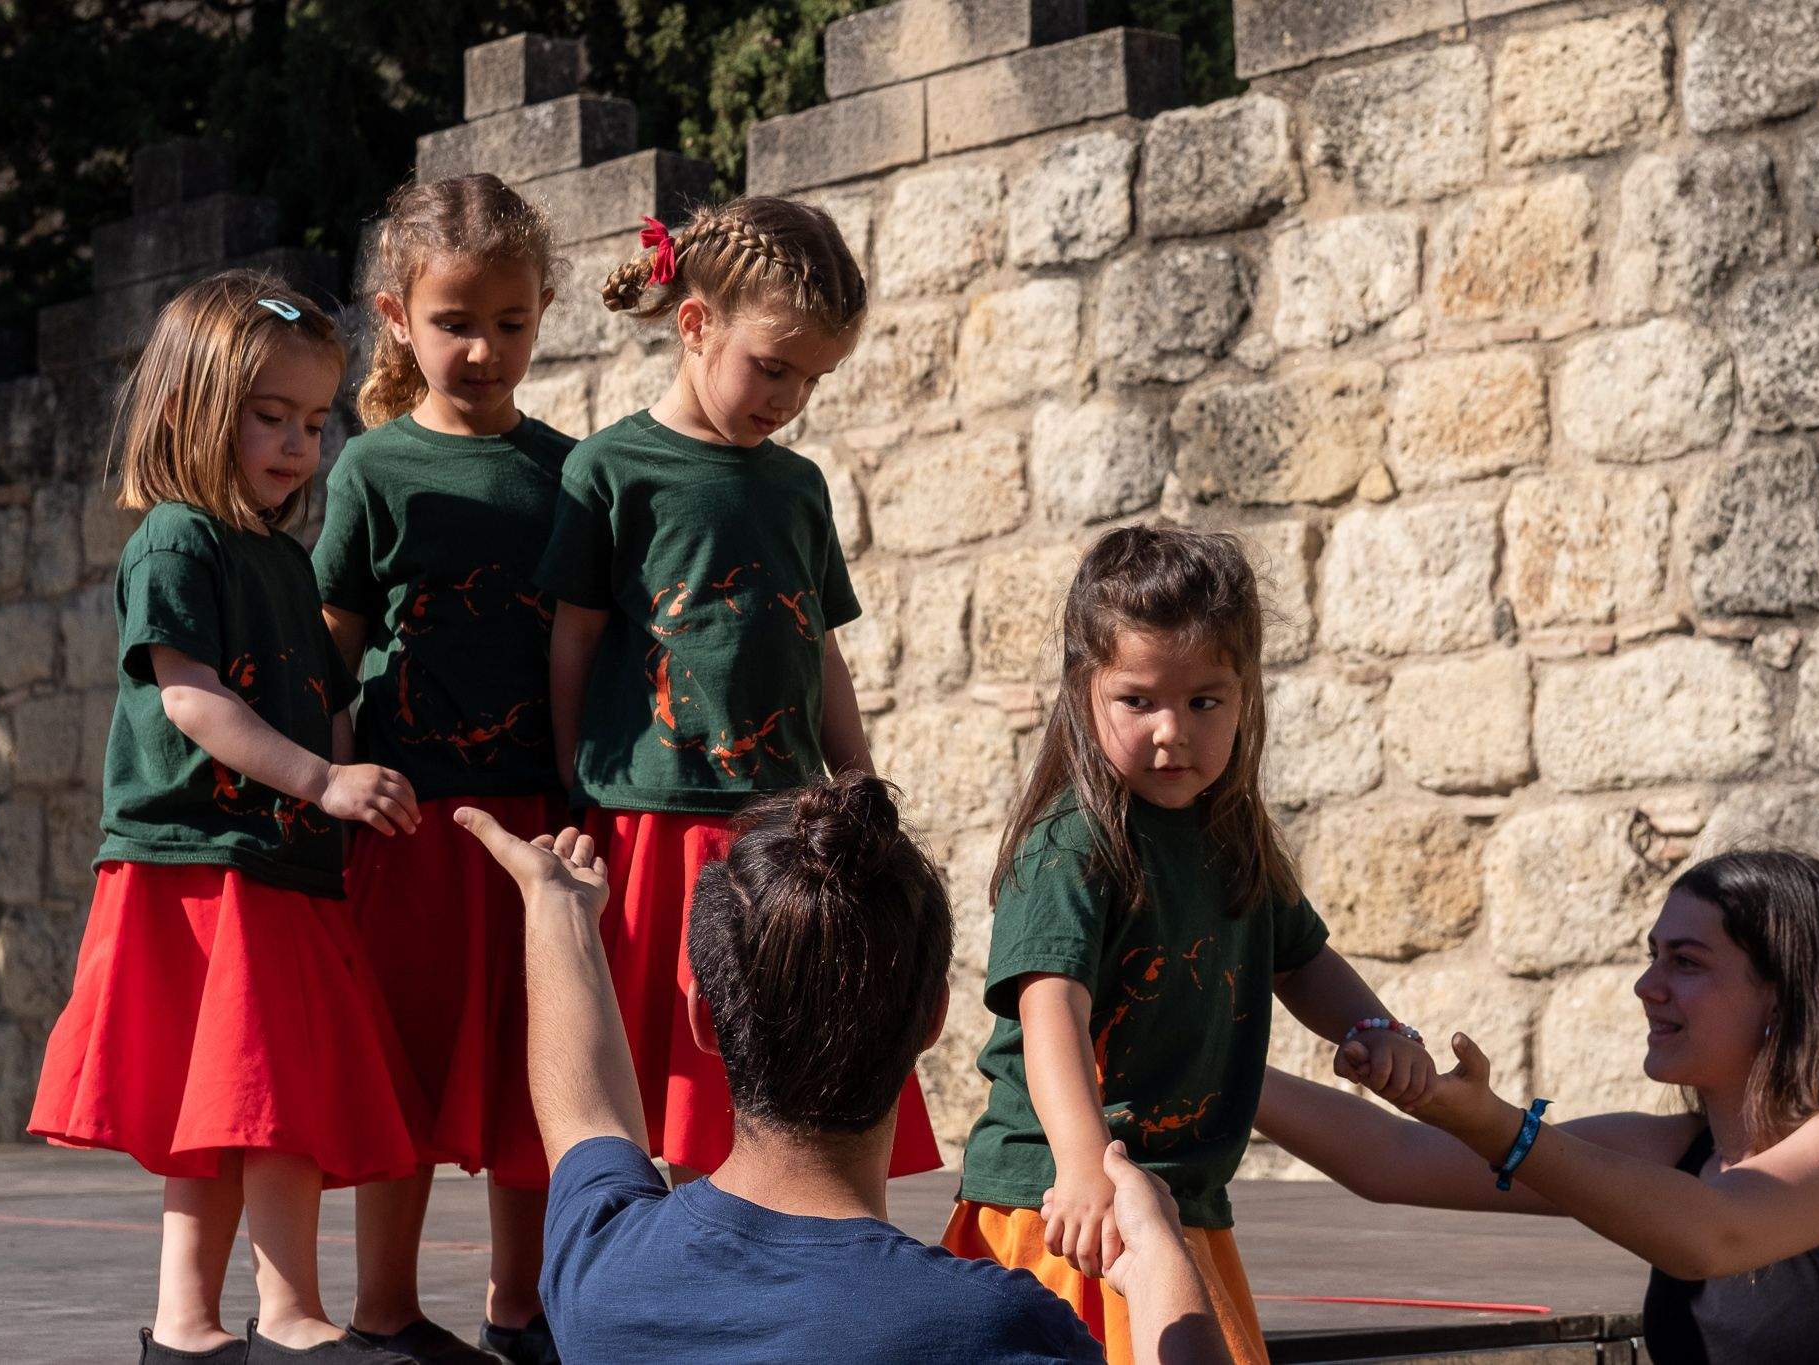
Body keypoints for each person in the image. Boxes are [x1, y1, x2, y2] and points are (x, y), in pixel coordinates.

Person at [451, 773, 1231, 1364]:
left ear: (704, 1024)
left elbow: (585, 1112)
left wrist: (555, 909)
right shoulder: (988, 1326)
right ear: (931, 1023)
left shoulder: (604, 1268)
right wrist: (1162, 1258)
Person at [27, 271, 424, 1365]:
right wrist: (322, 782)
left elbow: (323, 702)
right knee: (248, 1105)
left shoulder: (283, 558)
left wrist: (350, 784)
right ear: (183, 412)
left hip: (281, 865)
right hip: (203, 865)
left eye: (311, 421)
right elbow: (193, 697)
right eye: (268, 416)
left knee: (252, 1102)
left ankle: (201, 1330)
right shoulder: (175, 541)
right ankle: (251, 1321)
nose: (298, 445)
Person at [943, 525, 1435, 1365]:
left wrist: (1382, 1031)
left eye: (1205, 700)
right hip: (1064, 1213)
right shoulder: (1074, 845)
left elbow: (1302, 959)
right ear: (1082, 691)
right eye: (1138, 700)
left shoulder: (1229, 832)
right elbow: (1049, 1009)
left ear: (1247, 696)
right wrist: (1086, 1165)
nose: (1173, 730)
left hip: (1184, 1205)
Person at [532, 196, 938, 1186]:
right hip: (654, 828)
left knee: (799, 1069)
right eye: (771, 366)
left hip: (786, 831)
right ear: (696, 324)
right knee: (668, 1088)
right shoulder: (608, 471)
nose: (789, 396)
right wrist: (569, 785)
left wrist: (859, 782)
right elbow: (573, 640)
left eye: (813, 377)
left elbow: (820, 650)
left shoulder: (798, 487)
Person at [1257, 850, 1819, 1365]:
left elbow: (1713, 1234)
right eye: (1653, 953)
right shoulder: (1672, 1152)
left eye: (1686, 962)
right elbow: (1395, 1160)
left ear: (1783, 994)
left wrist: (1497, 1126)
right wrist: (1213, 1070)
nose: (1647, 984)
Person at [312, 174, 575, 1365]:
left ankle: (519, 1310)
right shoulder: (372, 471)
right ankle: (382, 1314)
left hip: (536, 823)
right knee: (408, 1068)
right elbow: (334, 645)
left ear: (543, 312)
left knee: (540, 1074)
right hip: (411, 825)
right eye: (456, 320)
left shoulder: (573, 472)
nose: (483, 348)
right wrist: (332, 787)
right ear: (396, 316)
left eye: (510, 322)